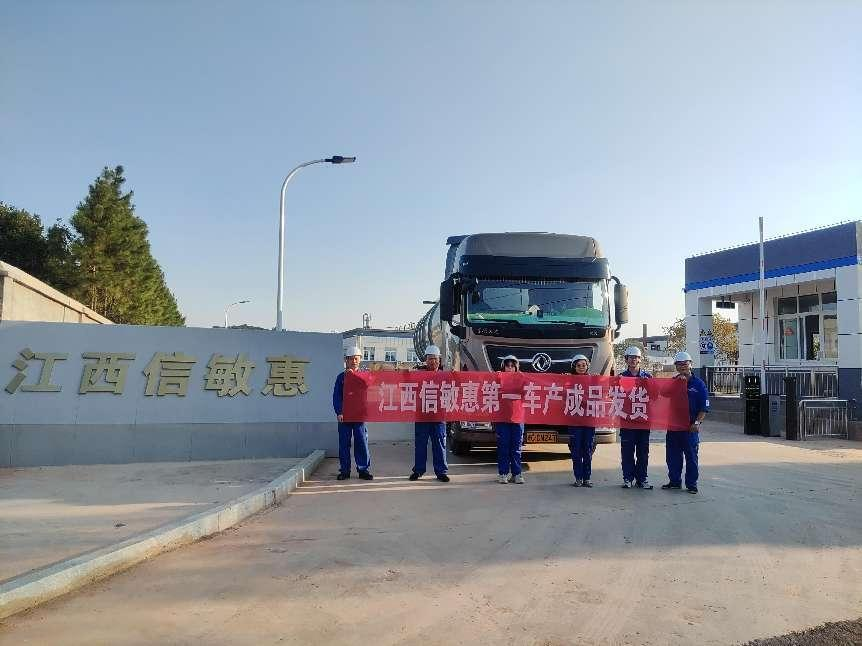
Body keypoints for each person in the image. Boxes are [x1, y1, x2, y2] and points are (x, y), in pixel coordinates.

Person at [662, 351, 709, 494]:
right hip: (673, 427)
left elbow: (704, 407)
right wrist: (677, 383)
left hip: (689, 428)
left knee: (691, 457)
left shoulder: (699, 384)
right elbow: (663, 393)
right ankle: (674, 482)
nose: (682, 366)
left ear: (691, 365)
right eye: (679, 364)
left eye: (685, 364)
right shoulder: (673, 381)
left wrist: (697, 423)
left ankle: (692, 484)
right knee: (672, 457)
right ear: (676, 366)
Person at [409, 345, 450, 482]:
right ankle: (418, 470)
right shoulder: (418, 375)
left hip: (439, 416)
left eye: (435, 359)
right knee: (420, 444)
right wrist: (408, 374)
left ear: (439, 360)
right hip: (422, 415)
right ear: (426, 360)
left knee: (439, 443)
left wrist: (456, 375)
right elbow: (406, 384)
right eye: (430, 358)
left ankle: (441, 472)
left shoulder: (445, 375)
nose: (433, 361)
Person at [332, 346, 372, 481]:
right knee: (344, 443)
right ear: (346, 360)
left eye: (356, 359)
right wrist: (339, 412)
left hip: (360, 415)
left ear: (360, 360)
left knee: (361, 442)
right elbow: (337, 396)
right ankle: (345, 470)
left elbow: (369, 387)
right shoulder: (341, 377)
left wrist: (354, 375)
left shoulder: (364, 375)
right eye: (351, 359)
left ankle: (363, 469)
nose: (354, 361)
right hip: (345, 416)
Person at [619, 346, 653, 489]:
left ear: (640, 359)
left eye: (636, 357)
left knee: (643, 452)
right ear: (626, 359)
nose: (633, 360)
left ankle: (642, 479)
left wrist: (648, 385)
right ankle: (628, 478)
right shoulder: (621, 377)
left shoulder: (647, 377)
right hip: (627, 421)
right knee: (627, 451)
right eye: (631, 357)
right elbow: (614, 395)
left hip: (642, 420)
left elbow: (655, 396)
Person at [495, 355, 525, 484]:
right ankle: (503, 473)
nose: (510, 368)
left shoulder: (522, 379)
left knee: (516, 447)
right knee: (504, 447)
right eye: (508, 366)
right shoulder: (498, 378)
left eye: (513, 366)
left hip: (517, 419)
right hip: (502, 419)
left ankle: (517, 474)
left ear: (516, 368)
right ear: (503, 367)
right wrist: (496, 377)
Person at [568, 354, 596, 488]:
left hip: (589, 421)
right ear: (574, 367)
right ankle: (578, 477)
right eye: (578, 365)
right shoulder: (569, 381)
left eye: (583, 365)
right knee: (576, 450)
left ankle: (587, 478)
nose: (581, 368)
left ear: (587, 366)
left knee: (588, 450)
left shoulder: (592, 380)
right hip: (575, 421)